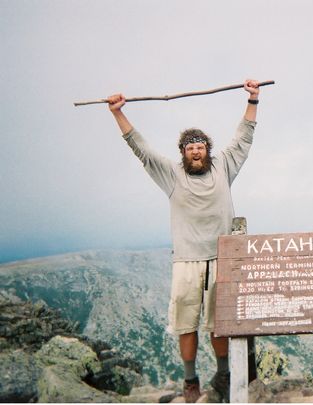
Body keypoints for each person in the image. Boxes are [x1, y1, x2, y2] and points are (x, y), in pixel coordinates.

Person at [107, 79, 260, 403]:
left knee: (221, 324)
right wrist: (117, 113)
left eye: (200, 146)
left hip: (222, 258)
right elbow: (142, 149)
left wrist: (253, 98)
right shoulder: (171, 174)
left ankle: (223, 375)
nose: (195, 151)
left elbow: (244, 137)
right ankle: (191, 381)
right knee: (185, 323)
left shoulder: (223, 167)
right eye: (190, 148)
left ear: (208, 150)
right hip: (187, 260)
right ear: (182, 153)